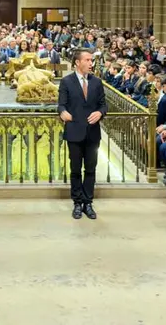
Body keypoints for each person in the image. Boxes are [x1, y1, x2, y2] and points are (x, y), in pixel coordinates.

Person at [57, 49, 107, 220]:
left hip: (92, 133)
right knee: (76, 169)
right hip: (74, 132)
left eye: (91, 60)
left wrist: (100, 113)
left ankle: (88, 202)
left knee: (91, 169)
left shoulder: (97, 82)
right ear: (77, 62)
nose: (91, 63)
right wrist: (62, 112)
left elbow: (103, 105)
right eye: (87, 60)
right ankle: (77, 202)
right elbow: (61, 104)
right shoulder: (66, 82)